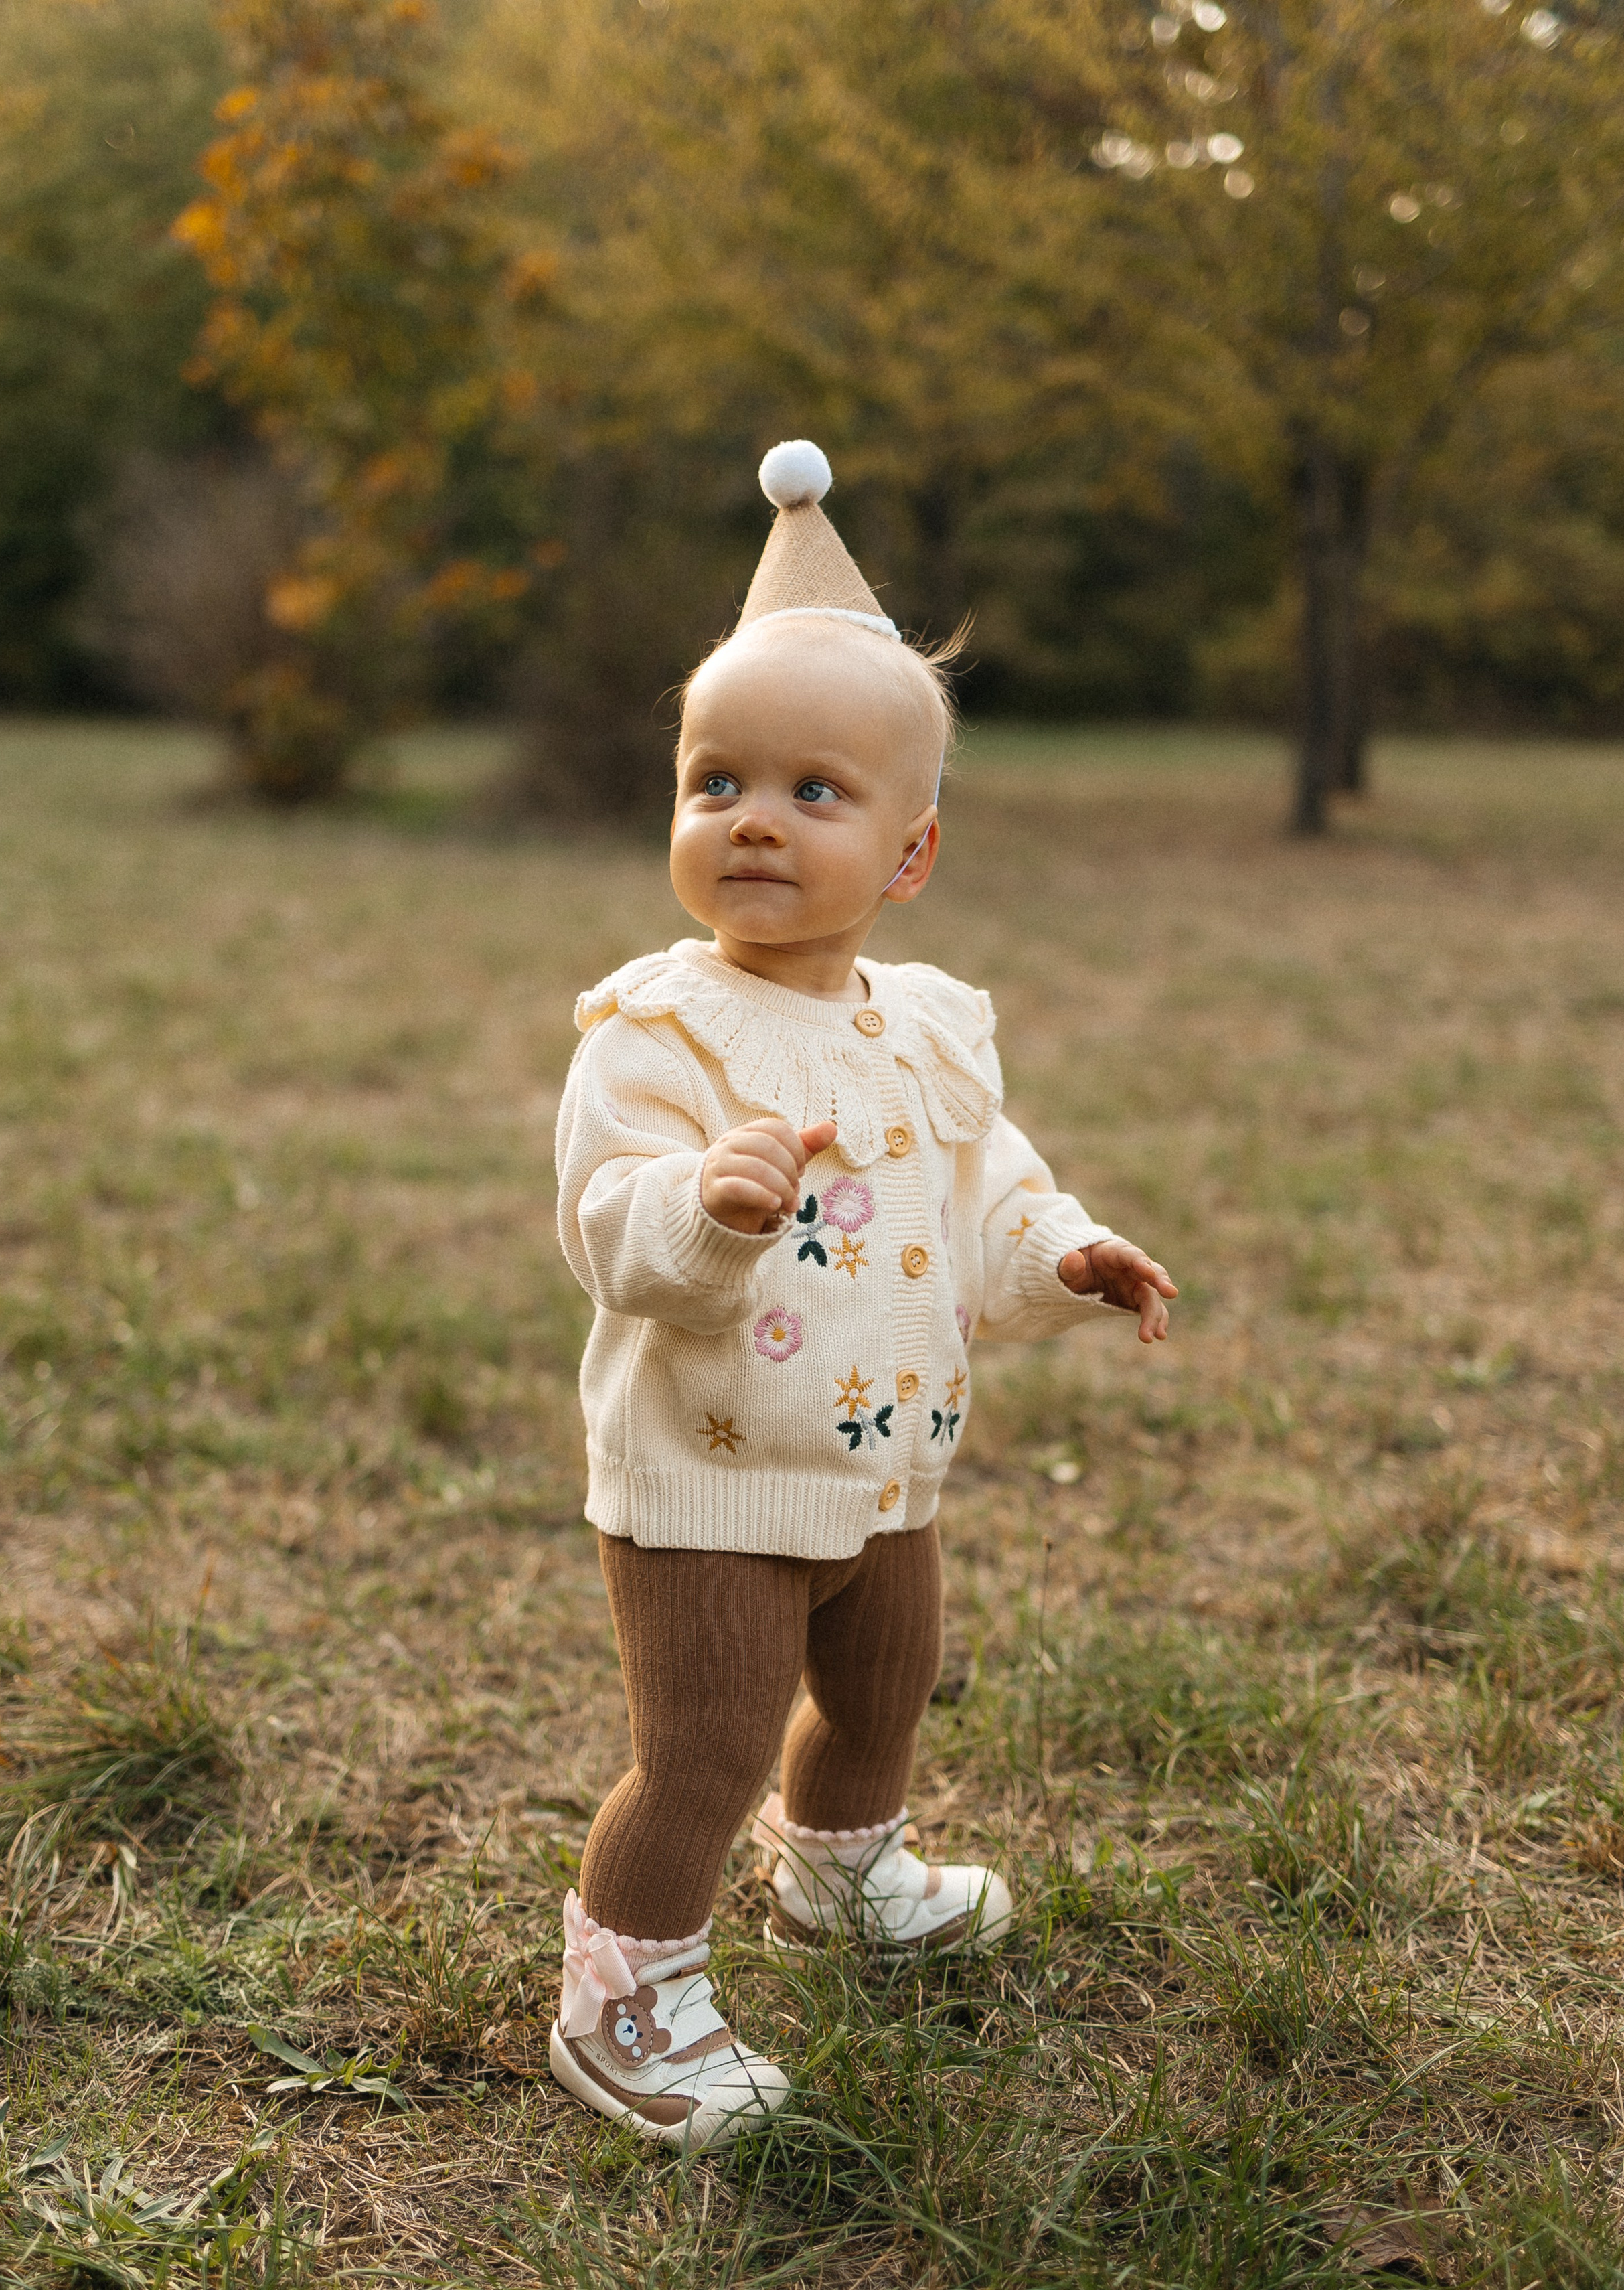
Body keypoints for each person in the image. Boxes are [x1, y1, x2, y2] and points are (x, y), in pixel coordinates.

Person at [550, 440, 1178, 2150]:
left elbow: (985, 1191)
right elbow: (606, 1229)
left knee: (884, 1687)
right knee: (703, 1751)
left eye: (812, 791)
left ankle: (838, 1873)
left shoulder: (924, 1030)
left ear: (908, 856)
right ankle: (622, 2000)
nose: (751, 816)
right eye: (714, 782)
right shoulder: (656, 1035)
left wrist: (1062, 1254)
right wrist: (703, 1205)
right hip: (711, 1474)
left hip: (887, 1460)